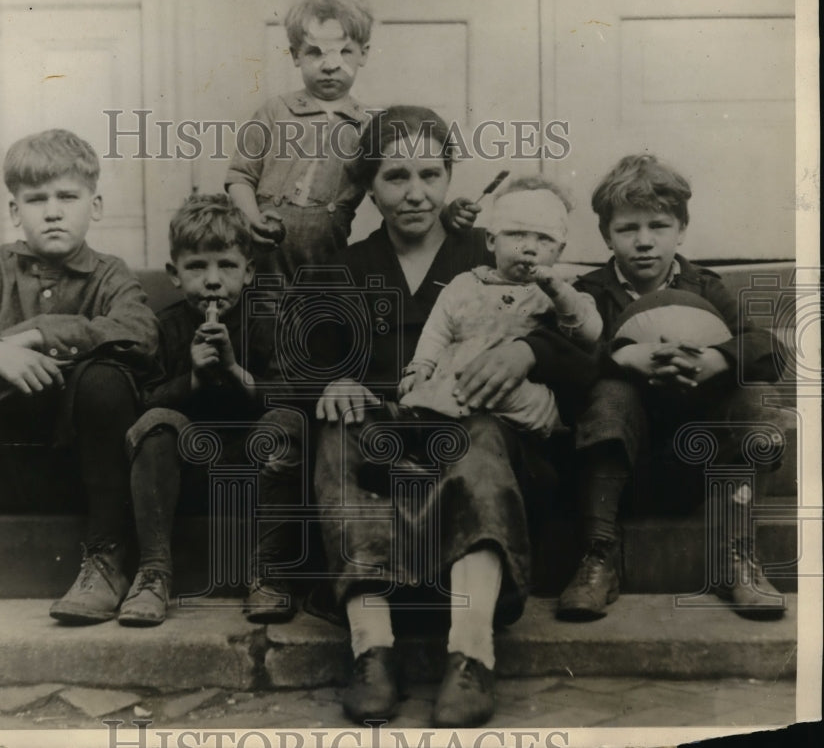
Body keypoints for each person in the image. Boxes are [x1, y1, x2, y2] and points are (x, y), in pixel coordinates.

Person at [311, 106, 597, 727]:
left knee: (483, 434)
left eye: (430, 173)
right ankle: (371, 647)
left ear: (449, 176)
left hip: (484, 445)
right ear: (369, 185)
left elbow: (585, 351)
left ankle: (471, 652)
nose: (416, 193)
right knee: (338, 436)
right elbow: (303, 361)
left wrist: (528, 351)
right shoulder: (347, 270)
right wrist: (332, 380)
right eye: (395, 176)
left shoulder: (496, 248)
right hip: (390, 438)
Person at [0, 128, 159, 626]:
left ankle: (105, 558)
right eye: (36, 199)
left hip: (83, 473)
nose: (53, 211)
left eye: (68, 197)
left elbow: (141, 333)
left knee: (106, 377)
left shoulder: (110, 276)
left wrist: (40, 334)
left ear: (95, 206)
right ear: (16, 212)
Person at [557, 153, 790, 621]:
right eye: (628, 229)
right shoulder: (588, 293)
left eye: (658, 226)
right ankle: (599, 555)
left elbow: (768, 349)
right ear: (606, 234)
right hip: (622, 463)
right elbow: (561, 361)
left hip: (699, 464)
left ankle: (737, 556)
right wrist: (621, 358)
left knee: (755, 396)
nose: (644, 242)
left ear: (681, 229)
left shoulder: (705, 288)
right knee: (610, 395)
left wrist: (716, 359)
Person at [119, 195, 304, 627]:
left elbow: (291, 395)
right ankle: (152, 574)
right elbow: (140, 402)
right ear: (174, 275)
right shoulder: (162, 326)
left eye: (227, 265)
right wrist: (194, 382)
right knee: (155, 424)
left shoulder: (268, 322)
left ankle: (270, 574)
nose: (214, 281)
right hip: (185, 474)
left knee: (287, 423)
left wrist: (235, 371)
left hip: (256, 469)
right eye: (197, 267)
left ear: (250, 271)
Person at [225, 0, 476, 282]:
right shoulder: (274, 111)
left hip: (328, 259)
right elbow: (240, 176)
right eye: (315, 52)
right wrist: (252, 219)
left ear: (363, 54)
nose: (331, 66)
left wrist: (446, 214)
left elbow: (397, 182)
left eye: (345, 52)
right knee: (260, 319)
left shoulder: (370, 126)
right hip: (262, 256)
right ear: (295, 55)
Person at [400, 176, 602, 430]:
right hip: (460, 376)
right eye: (517, 234)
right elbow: (437, 332)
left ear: (560, 251)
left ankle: (433, 418)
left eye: (544, 239)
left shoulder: (559, 291)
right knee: (439, 388)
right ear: (491, 240)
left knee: (519, 402)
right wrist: (420, 367)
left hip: (518, 393)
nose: (530, 248)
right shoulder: (465, 285)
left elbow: (589, 332)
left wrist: (559, 291)